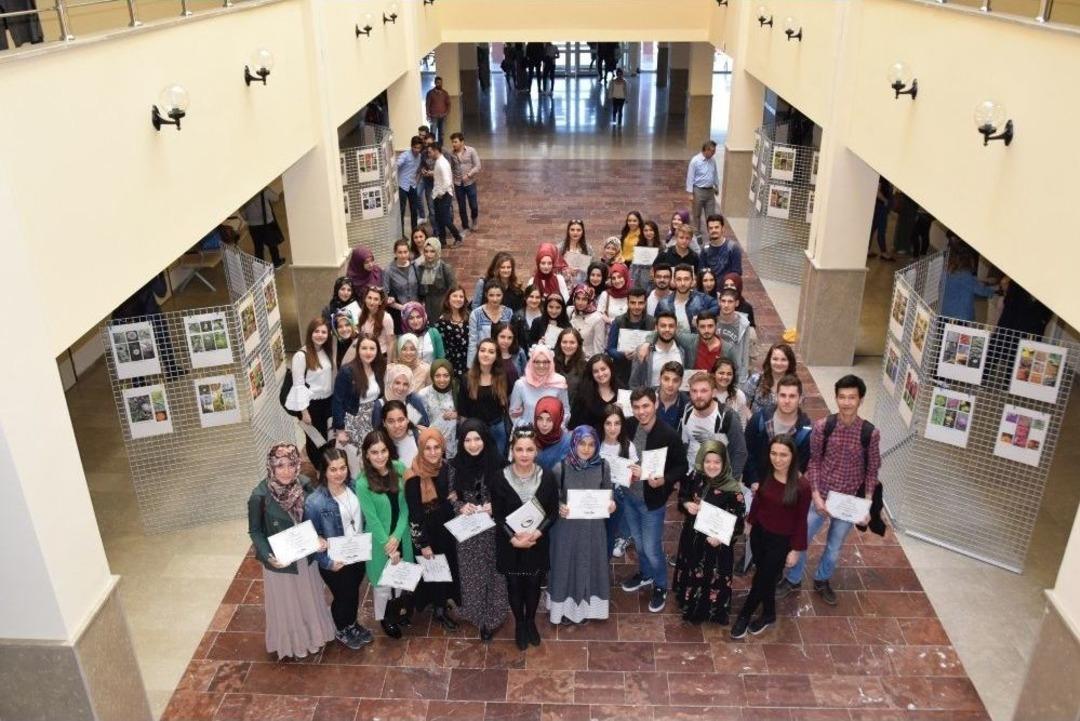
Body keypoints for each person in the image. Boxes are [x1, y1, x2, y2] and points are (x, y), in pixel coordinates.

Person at [777, 375, 880, 607]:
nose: (846, 402)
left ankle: (822, 579)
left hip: (848, 501)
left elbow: (872, 470)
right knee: (800, 540)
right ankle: (793, 579)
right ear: (836, 398)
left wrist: (867, 504)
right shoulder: (824, 427)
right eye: (842, 397)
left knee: (834, 549)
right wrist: (815, 496)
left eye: (851, 397)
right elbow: (813, 463)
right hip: (820, 496)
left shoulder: (870, 433)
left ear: (860, 400)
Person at [247, 443, 335, 659]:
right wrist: (269, 555)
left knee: (308, 597)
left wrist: (320, 537)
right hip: (282, 563)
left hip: (305, 557)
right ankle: (293, 643)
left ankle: (314, 636)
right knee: (288, 604)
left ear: (297, 465)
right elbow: (255, 531)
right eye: (280, 465)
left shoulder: (305, 485)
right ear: (271, 467)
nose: (286, 471)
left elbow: (316, 515)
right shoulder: (259, 496)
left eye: (291, 464)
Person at [730, 434, 812, 639]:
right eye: (774, 453)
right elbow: (759, 500)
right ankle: (769, 614)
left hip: (781, 541)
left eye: (783, 455)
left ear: (793, 456)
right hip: (759, 534)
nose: (778, 459)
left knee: (761, 579)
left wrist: (796, 550)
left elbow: (802, 521)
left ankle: (744, 615)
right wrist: (750, 522)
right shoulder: (768, 472)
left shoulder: (802, 486)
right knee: (765, 578)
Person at [490, 426, 560, 650]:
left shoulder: (547, 477)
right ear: (512, 450)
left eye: (529, 449)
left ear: (536, 451)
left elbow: (553, 512)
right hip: (510, 543)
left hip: (536, 542)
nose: (524, 454)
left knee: (532, 583)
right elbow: (498, 514)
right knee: (514, 584)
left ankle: (530, 621)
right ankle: (519, 624)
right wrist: (513, 538)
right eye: (519, 449)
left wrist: (538, 533)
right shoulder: (499, 478)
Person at [620, 388, 688, 613]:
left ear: (655, 404)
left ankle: (660, 585)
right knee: (639, 543)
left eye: (645, 406)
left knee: (651, 547)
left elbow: (682, 466)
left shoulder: (668, 435)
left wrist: (665, 480)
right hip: (630, 497)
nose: (641, 412)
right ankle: (646, 574)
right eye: (637, 407)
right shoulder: (629, 425)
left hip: (652, 502)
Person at [738, 373, 813, 575]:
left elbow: (803, 462)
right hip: (758, 482)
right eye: (783, 395)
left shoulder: (806, 429)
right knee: (753, 520)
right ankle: (748, 556)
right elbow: (748, 451)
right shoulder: (760, 419)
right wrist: (753, 480)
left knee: (778, 525)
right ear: (776, 396)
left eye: (792, 396)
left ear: (800, 398)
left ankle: (774, 564)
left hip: (783, 488)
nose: (787, 400)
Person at [305, 447, 375, 649]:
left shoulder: (355, 487)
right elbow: (311, 540)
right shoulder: (315, 502)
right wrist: (327, 562)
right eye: (333, 469)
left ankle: (352, 624)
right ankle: (342, 629)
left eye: (343, 468)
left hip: (358, 554)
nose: (339, 473)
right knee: (343, 596)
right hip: (336, 561)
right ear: (323, 472)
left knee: (353, 593)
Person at [672, 441, 745, 625]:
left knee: (711, 576)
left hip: (716, 546)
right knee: (694, 571)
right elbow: (683, 496)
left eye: (717, 462)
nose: (711, 466)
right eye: (708, 461)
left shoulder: (733, 490)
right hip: (693, 539)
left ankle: (710, 611)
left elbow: (739, 522)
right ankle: (691, 605)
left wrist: (721, 537)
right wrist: (687, 505)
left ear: (724, 463)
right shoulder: (696, 476)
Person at [450, 420, 510, 641]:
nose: (473, 445)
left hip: (494, 531)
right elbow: (449, 497)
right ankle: (475, 615)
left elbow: (510, 498)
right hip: (467, 533)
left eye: (477, 439)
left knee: (495, 574)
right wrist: (460, 507)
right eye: (467, 440)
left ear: (485, 439)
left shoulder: (501, 465)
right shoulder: (454, 466)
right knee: (471, 575)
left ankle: (492, 618)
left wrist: (495, 505)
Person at [549, 426, 615, 624]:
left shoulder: (603, 466)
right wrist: (560, 507)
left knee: (591, 563)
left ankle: (589, 609)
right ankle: (564, 609)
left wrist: (611, 504)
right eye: (582, 444)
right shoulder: (560, 467)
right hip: (567, 528)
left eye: (591, 444)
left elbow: (607, 491)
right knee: (565, 565)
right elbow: (552, 498)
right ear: (574, 443)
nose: (586, 449)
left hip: (594, 527)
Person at [356, 430, 415, 638]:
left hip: (401, 534)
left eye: (383, 451)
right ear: (366, 455)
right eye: (374, 452)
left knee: (400, 578)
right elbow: (371, 519)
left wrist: (397, 537)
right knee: (382, 584)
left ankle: (398, 610)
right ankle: (384, 618)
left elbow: (407, 506)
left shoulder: (399, 469)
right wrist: (388, 545)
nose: (380, 456)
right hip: (379, 540)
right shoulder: (362, 483)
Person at [404, 428, 462, 629]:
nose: (432, 452)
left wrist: (454, 496)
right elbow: (414, 514)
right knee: (435, 572)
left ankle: (444, 600)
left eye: (437, 447)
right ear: (421, 449)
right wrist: (423, 544)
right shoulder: (413, 476)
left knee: (448, 566)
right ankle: (438, 610)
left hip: (446, 528)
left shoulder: (446, 468)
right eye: (427, 448)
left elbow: (450, 493)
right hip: (429, 532)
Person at [680, 372, 748, 478]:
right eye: (694, 391)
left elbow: (740, 452)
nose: (698, 396)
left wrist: (728, 484)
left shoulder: (728, 417)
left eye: (704, 391)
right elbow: (684, 444)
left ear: (714, 393)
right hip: (691, 477)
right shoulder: (687, 409)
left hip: (717, 481)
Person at [285, 318, 335, 462]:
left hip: (328, 402)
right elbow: (298, 385)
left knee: (328, 438)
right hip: (311, 405)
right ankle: (319, 472)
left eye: (324, 332)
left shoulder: (326, 351)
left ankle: (327, 469)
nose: (320, 335)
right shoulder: (301, 355)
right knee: (316, 441)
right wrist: (304, 412)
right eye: (316, 331)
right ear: (310, 333)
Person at [598, 404, 638, 559]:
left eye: (617, 423)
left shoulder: (628, 446)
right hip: (598, 494)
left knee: (610, 533)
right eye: (608, 423)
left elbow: (633, 475)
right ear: (603, 424)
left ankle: (604, 563)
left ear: (622, 424)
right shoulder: (596, 444)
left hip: (618, 496)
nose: (612, 428)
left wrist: (633, 474)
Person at [460, 339, 511, 457]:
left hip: (497, 428)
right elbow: (463, 412)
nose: (486, 354)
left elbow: (506, 401)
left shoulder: (502, 377)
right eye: (482, 350)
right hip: (475, 431)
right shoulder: (466, 379)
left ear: (496, 356)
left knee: (497, 464)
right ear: (477, 353)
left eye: (491, 351)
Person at [333, 335, 386, 449]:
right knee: (357, 457)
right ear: (358, 350)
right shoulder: (346, 371)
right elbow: (337, 401)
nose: (368, 352)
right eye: (364, 348)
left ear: (377, 350)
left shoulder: (380, 368)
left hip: (376, 416)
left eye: (372, 348)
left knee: (374, 452)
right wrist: (340, 429)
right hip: (354, 419)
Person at [510, 344, 570, 429]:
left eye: (545, 362)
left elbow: (566, 411)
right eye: (537, 362)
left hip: (552, 435)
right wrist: (529, 430)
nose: (541, 366)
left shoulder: (559, 382)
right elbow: (514, 414)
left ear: (551, 362)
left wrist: (556, 428)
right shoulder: (521, 384)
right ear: (531, 362)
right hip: (528, 436)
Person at [606, 286, 655, 387]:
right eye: (633, 303)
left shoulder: (652, 322)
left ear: (645, 303)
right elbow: (610, 349)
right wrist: (622, 354)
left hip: (643, 372)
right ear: (627, 303)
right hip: (621, 371)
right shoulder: (618, 321)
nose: (637, 307)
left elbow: (657, 347)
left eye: (640, 303)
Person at [629, 311, 688, 388]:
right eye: (663, 326)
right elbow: (634, 383)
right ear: (656, 327)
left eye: (671, 326)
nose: (667, 329)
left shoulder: (682, 352)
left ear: (676, 328)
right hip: (650, 398)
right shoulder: (644, 351)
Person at [940, 246, 999, 322]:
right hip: (961, 316)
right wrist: (993, 290)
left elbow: (941, 287)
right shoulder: (967, 276)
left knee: (942, 331)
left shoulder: (946, 272)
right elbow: (981, 290)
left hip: (945, 312)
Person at [656, 264, 718, 331]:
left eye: (686, 279)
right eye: (679, 279)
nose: (683, 283)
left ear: (692, 281)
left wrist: (702, 317)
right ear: (673, 281)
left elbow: (717, 306)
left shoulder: (701, 298)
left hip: (695, 340)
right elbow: (656, 327)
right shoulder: (664, 303)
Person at [418, 360, 460, 457]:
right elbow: (411, 419)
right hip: (431, 445)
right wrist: (421, 428)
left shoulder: (457, 391)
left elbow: (468, 414)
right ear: (432, 376)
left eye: (446, 375)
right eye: (438, 376)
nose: (442, 380)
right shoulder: (423, 394)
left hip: (453, 445)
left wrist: (457, 415)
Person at [569, 353, 622, 430]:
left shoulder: (622, 390)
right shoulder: (583, 394)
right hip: (589, 439)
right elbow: (574, 424)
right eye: (596, 371)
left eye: (603, 369)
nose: (600, 374)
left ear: (611, 368)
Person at [468, 280, 514, 366]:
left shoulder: (509, 313)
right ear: (486, 295)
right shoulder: (476, 314)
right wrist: (471, 365)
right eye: (491, 295)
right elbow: (473, 341)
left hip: (502, 359)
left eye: (498, 295)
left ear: (503, 295)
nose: (495, 299)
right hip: (483, 358)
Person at [742, 342, 798, 413]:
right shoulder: (755, 380)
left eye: (783, 360)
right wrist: (753, 420)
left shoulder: (796, 385)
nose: (779, 363)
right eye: (775, 359)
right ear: (769, 360)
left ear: (790, 362)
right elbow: (743, 405)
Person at [373, 364, 430, 429]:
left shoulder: (412, 399)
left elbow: (424, 425)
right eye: (397, 383)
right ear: (390, 382)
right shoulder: (380, 404)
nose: (401, 388)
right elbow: (377, 433)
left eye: (405, 384)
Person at [240, 187, 286, 268]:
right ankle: (277, 262)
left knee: (258, 247)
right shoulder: (263, 190)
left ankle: (260, 268)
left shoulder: (243, 195)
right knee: (272, 244)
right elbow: (276, 198)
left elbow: (243, 215)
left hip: (253, 226)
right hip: (267, 223)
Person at [428, 143, 463, 247]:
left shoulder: (441, 163)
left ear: (436, 151)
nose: (429, 154)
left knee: (445, 219)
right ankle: (442, 242)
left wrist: (440, 194)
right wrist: (433, 173)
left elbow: (447, 181)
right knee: (439, 219)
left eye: (430, 152)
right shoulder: (439, 161)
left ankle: (458, 238)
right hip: (440, 194)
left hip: (443, 195)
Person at [717, 289, 752, 384]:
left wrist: (742, 378)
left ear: (736, 303)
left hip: (734, 370)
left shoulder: (743, 324)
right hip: (715, 369)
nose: (726, 305)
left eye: (730, 301)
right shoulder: (712, 320)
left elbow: (745, 352)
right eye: (723, 301)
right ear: (719, 302)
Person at [385, 240, 421, 330]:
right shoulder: (389, 270)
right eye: (400, 252)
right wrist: (403, 308)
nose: (403, 255)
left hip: (416, 311)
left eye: (405, 252)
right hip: (399, 313)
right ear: (395, 253)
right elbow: (384, 294)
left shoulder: (415, 266)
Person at [417, 237, 457, 320]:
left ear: (438, 252)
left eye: (432, 251)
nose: (429, 254)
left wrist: (449, 309)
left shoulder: (445, 268)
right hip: (427, 306)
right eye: (426, 251)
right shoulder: (421, 267)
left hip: (442, 305)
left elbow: (453, 289)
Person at [435, 286, 470, 378]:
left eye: (461, 296)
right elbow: (441, 348)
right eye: (455, 296)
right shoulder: (441, 322)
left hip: (469, 365)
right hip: (451, 367)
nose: (458, 299)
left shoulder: (469, 317)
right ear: (448, 299)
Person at [450, 132, 481, 232]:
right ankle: (465, 226)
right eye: (452, 142)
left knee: (473, 205)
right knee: (461, 207)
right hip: (458, 184)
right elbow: (451, 168)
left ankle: (474, 220)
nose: (453, 144)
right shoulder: (452, 154)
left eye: (455, 142)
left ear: (462, 142)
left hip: (470, 183)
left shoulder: (471, 151)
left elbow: (478, 166)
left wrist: (469, 175)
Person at [686, 140, 720, 232]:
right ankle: (697, 234)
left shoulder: (713, 160)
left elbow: (715, 174)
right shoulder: (695, 161)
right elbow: (690, 177)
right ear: (705, 150)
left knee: (711, 215)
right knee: (696, 215)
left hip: (710, 191)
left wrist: (716, 186)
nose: (714, 153)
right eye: (712, 151)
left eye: (714, 151)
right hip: (698, 191)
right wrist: (690, 193)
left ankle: (712, 234)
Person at [399, 302, 445, 366]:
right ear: (405, 320)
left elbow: (441, 358)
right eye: (411, 318)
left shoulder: (433, 333)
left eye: (418, 317)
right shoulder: (402, 338)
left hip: (431, 373)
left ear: (424, 317)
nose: (415, 321)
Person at [699, 214, 742, 281]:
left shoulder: (733, 248)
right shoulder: (704, 250)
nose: (713, 230)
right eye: (711, 228)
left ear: (722, 228)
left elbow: (736, 273)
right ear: (708, 230)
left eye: (716, 227)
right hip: (709, 287)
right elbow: (701, 272)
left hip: (727, 289)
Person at [381, 399, 423, 468]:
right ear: (384, 423)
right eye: (391, 421)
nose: (396, 426)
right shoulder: (379, 445)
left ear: (407, 419)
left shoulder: (419, 436)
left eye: (400, 420)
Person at [568, 284, 607, 358]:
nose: (580, 302)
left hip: (587, 359)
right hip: (570, 357)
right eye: (578, 298)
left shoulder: (597, 318)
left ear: (589, 300)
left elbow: (598, 347)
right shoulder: (569, 311)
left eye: (584, 299)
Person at [533, 396, 571, 471]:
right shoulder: (528, 438)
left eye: (549, 420)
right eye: (540, 419)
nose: (544, 424)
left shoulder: (567, 442)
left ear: (557, 419)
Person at [396, 136, 424, 236]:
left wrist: (417, 180)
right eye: (415, 147)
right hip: (402, 186)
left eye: (419, 148)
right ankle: (401, 234)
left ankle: (414, 232)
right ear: (411, 146)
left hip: (412, 185)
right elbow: (396, 164)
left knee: (414, 210)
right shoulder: (405, 155)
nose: (417, 150)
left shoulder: (420, 156)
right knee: (402, 211)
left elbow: (418, 170)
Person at [357, 286, 395, 355]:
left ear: (380, 302)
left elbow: (390, 343)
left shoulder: (386, 318)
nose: (372, 302)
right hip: (365, 353)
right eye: (369, 298)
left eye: (376, 299)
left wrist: (388, 364)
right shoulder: (360, 314)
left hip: (381, 354)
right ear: (365, 298)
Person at [554, 327, 588, 400]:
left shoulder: (585, 366)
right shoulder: (552, 362)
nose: (568, 346)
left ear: (578, 344)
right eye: (564, 342)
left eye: (572, 342)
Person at [712, 357, 750, 424]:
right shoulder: (707, 393)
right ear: (714, 374)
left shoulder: (739, 395)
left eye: (729, 374)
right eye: (721, 373)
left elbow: (742, 422)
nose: (725, 377)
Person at [629, 220, 663, 291]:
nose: (648, 233)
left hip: (656, 279)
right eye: (646, 230)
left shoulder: (662, 247)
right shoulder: (639, 246)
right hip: (640, 279)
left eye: (651, 230)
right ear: (642, 232)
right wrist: (631, 279)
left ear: (655, 232)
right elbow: (633, 265)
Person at [656, 361, 689, 430]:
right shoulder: (648, 396)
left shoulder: (687, 404)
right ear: (659, 379)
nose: (670, 384)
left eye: (675, 380)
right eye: (666, 379)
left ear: (681, 382)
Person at [868, 177, 894, 261]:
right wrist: (885, 200)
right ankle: (884, 253)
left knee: (872, 229)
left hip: (880, 208)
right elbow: (877, 192)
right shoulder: (881, 178)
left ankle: (867, 250)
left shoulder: (883, 178)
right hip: (881, 208)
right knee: (881, 230)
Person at [559, 219, 591, 285]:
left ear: (582, 232)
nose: (575, 232)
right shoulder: (560, 248)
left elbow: (592, 267)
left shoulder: (588, 249)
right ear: (568, 231)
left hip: (582, 285)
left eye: (578, 230)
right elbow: (555, 267)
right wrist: (566, 270)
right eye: (572, 230)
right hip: (564, 284)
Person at [512, 285, 544, 351]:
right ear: (525, 297)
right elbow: (514, 339)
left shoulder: (545, 315)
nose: (534, 300)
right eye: (531, 297)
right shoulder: (517, 316)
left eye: (537, 297)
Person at [425, 76, 451, 144]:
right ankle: (432, 145)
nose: (439, 84)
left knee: (441, 133)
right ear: (435, 83)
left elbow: (448, 104)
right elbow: (427, 104)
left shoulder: (445, 93)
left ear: (442, 83)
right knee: (433, 132)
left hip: (442, 116)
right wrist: (428, 114)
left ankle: (440, 146)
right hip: (433, 116)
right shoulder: (430, 93)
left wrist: (446, 112)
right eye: (437, 83)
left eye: (440, 83)